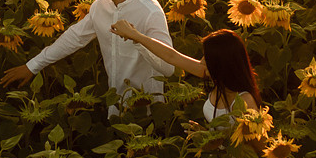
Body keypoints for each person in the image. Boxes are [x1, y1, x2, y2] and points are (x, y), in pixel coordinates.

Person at [0, 0, 174, 112]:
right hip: (114, 106)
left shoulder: (150, 11)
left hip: (148, 110)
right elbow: (74, 38)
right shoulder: (100, 6)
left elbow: (168, 67)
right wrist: (32, 66)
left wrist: (137, 39)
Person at [107, 23, 262, 130]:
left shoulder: (245, 101)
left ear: (222, 64)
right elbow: (172, 56)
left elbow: (255, 145)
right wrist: (136, 36)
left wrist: (216, 143)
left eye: (206, 57)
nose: (201, 61)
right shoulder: (215, 77)